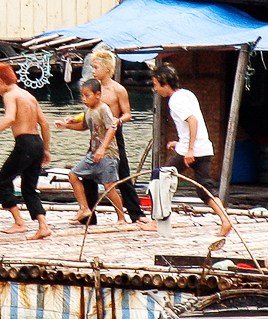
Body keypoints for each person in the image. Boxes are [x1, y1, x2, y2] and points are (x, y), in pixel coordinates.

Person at [0, 62, 53, 239]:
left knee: (3, 182)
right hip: (37, 142)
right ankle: (43, 226)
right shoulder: (28, 95)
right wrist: (46, 149)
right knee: (29, 187)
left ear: (1, 81)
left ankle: (19, 222)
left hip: (25, 142)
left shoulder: (10, 95)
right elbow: (45, 123)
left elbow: (9, 118)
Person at [89, 48, 151, 231]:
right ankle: (89, 214)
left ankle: (136, 213)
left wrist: (118, 120)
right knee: (88, 173)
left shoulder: (118, 89)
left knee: (123, 173)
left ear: (107, 69)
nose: (93, 71)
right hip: (96, 133)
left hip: (114, 133)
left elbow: (128, 114)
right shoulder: (93, 88)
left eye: (96, 67)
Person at [54, 78, 125, 226]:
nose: (84, 99)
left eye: (87, 95)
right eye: (82, 96)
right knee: (73, 175)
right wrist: (66, 126)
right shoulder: (89, 110)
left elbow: (112, 128)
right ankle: (84, 208)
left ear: (98, 95)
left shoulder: (104, 108)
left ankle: (121, 217)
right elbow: (84, 126)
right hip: (93, 154)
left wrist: (103, 147)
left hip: (107, 155)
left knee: (109, 187)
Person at [150, 64, 214, 187]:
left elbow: (193, 121)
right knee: (206, 190)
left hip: (190, 151)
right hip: (204, 148)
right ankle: (220, 208)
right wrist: (179, 143)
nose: (156, 89)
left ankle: (160, 206)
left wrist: (190, 150)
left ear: (165, 84)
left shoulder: (174, 101)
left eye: (156, 85)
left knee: (160, 178)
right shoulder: (187, 93)